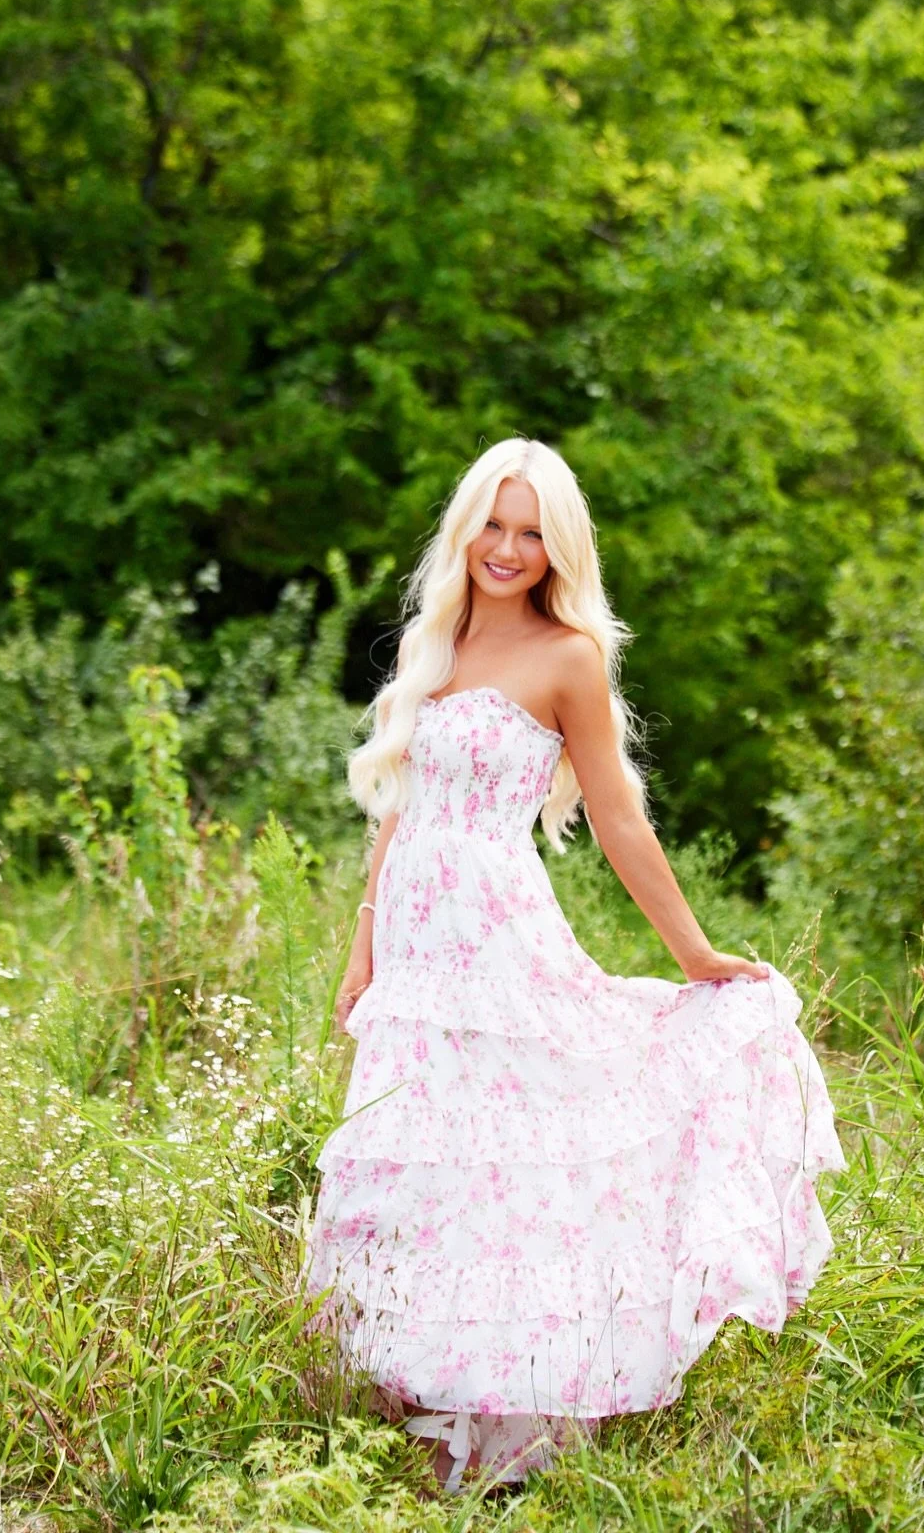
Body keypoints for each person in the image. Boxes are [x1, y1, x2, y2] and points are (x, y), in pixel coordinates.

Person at [303, 436, 843, 1493]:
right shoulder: (436, 639)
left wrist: (692, 951)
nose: (508, 549)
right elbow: (399, 811)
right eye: (494, 527)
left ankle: (516, 1420)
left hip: (502, 937)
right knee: (421, 1156)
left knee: (516, 1163)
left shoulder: (568, 658)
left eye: (531, 533)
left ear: (560, 548)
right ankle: (413, 1402)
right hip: (418, 946)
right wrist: (363, 946)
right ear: (468, 531)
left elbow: (617, 814)